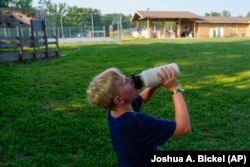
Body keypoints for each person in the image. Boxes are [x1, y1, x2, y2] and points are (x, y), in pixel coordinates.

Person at [87, 67, 191, 167]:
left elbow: (141, 98)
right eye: (124, 82)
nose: (130, 79)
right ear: (118, 100)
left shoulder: (115, 112)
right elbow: (183, 128)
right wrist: (175, 89)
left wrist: (155, 82)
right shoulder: (136, 122)